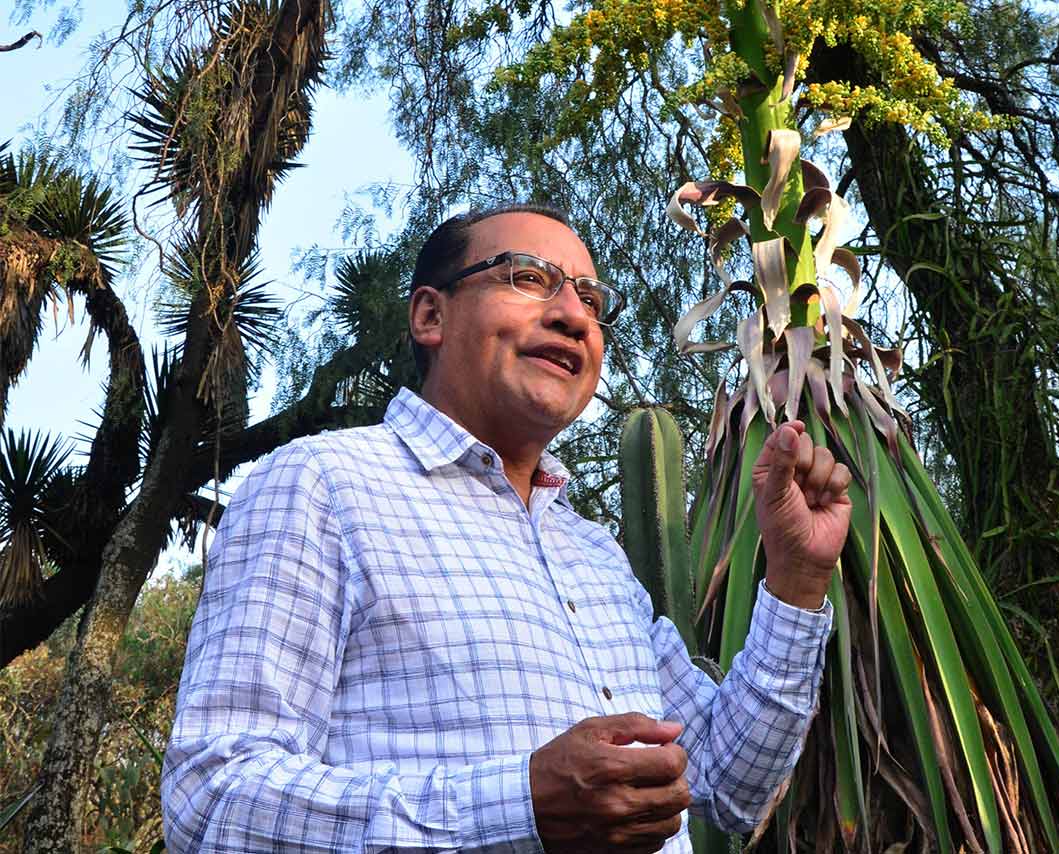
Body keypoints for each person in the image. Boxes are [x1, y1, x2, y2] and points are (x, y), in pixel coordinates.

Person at [161, 204, 852, 853]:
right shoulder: (324, 485)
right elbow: (212, 799)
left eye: (591, 300)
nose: (574, 316)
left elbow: (731, 784)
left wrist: (795, 581)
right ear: (431, 315)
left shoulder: (595, 555)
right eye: (528, 277)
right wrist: (517, 806)